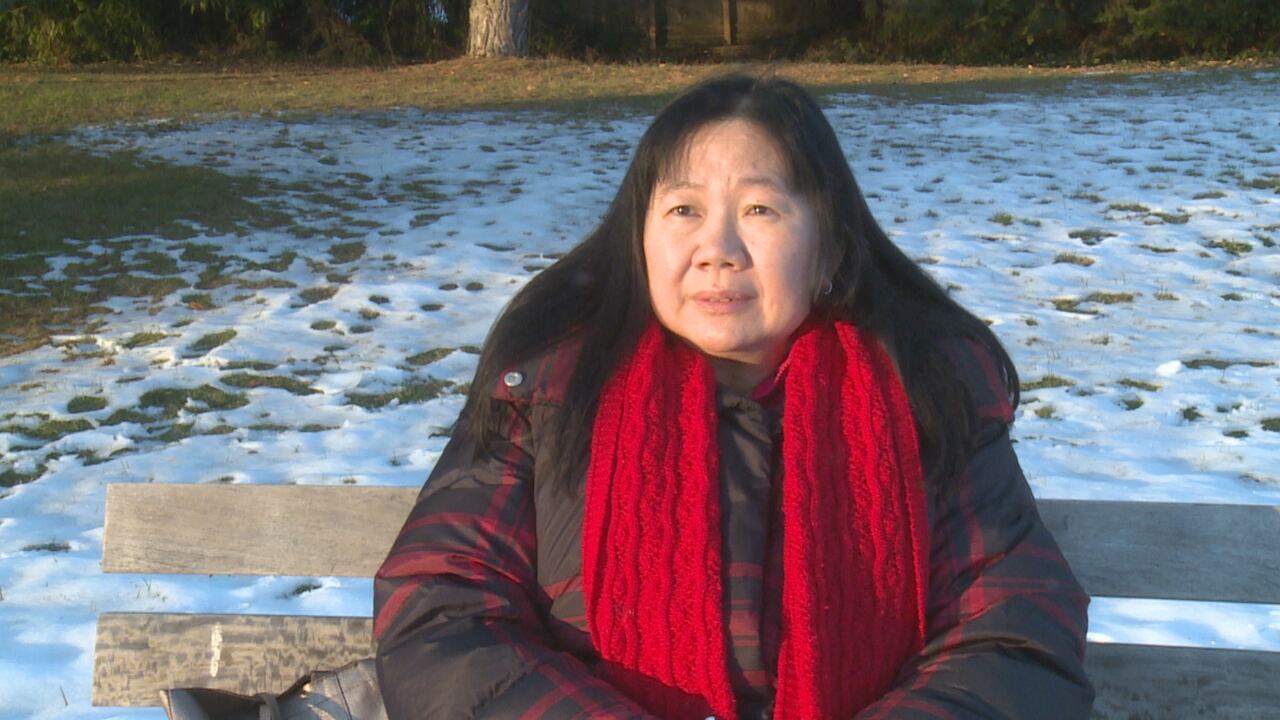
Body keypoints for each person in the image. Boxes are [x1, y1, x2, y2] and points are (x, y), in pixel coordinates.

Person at [373, 73, 1094, 719]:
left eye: (760, 210)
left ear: (831, 248)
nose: (717, 247)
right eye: (684, 210)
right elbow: (442, 610)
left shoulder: (926, 396)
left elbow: (1015, 627)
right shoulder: (552, 392)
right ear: (641, 241)